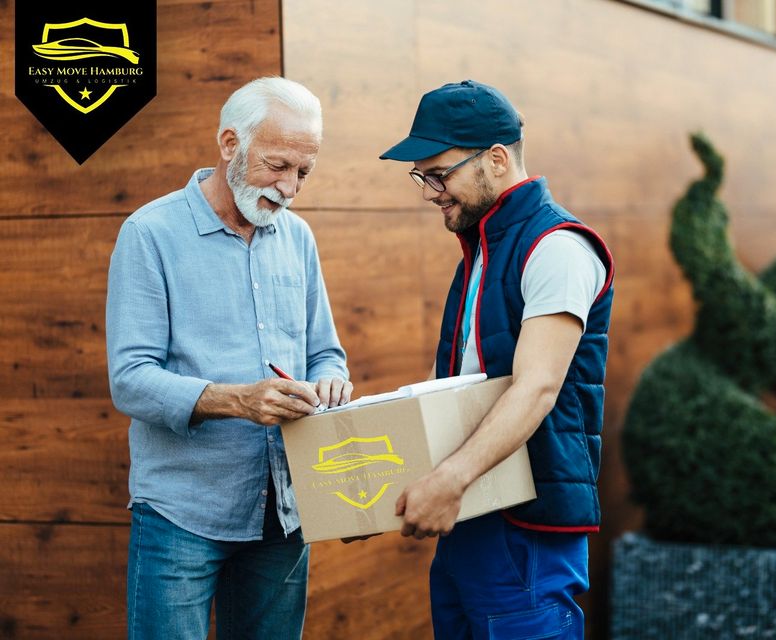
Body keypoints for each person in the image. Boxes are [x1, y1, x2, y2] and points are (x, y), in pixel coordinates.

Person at [106, 76, 352, 640]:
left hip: (284, 511)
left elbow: (325, 353)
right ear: (228, 144)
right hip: (181, 516)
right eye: (277, 166)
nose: (290, 187)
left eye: (304, 172)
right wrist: (238, 399)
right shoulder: (149, 233)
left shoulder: (299, 238)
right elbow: (130, 380)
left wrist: (332, 383)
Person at [380, 80, 614, 639]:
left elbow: (536, 387)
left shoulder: (555, 246)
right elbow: (466, 393)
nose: (429, 191)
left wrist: (450, 480)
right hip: (470, 515)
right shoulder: (481, 251)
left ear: (497, 158)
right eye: (422, 177)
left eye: (440, 174)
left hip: (525, 528)